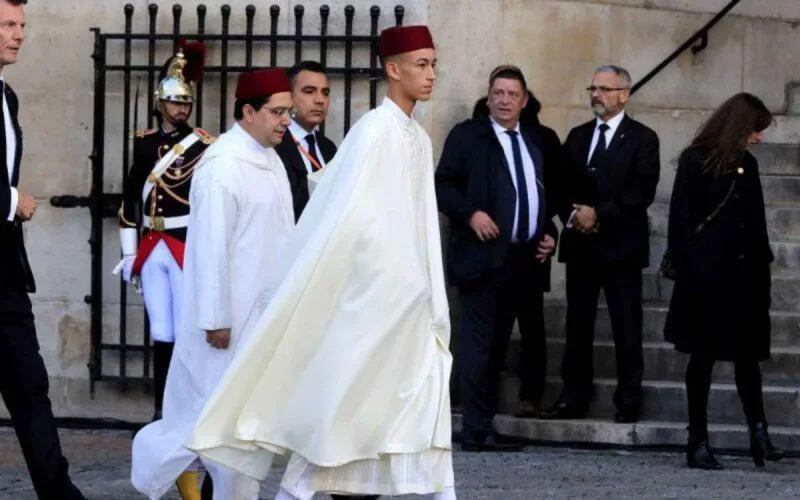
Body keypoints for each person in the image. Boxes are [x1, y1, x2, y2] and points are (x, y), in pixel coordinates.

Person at [186, 25, 456, 500]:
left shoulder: (419, 138)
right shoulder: (372, 131)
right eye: (421, 64)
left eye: (434, 63)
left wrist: (428, 293)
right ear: (393, 70)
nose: (431, 74)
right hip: (369, 308)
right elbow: (341, 214)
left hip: (407, 308)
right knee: (340, 423)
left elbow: (419, 227)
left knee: (389, 422)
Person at [130, 68, 296, 500]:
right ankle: (151, 457)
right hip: (225, 325)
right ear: (248, 112)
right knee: (214, 427)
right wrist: (215, 318)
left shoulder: (272, 159)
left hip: (260, 316)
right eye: (277, 112)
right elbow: (208, 249)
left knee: (239, 428)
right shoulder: (222, 166)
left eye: (288, 112)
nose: (285, 121)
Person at [435, 65, 559, 451]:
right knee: (478, 346)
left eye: (511, 94)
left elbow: (541, 195)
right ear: (488, 97)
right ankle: (474, 429)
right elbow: (442, 184)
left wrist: (549, 232)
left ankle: (485, 424)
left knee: (499, 345)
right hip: (480, 260)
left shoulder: (533, 141)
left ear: (524, 100)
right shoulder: (468, 135)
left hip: (521, 262)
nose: (504, 100)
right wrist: (471, 214)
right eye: (497, 93)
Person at [664, 92, 785, 470]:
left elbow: (757, 225)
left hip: (744, 281)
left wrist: (762, 277)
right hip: (706, 281)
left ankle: (759, 435)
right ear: (739, 127)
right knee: (701, 360)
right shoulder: (694, 161)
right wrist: (695, 271)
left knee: (748, 360)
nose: (758, 138)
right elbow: (680, 224)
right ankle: (697, 440)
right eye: (754, 130)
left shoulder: (747, 164)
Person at [540, 65, 660, 424]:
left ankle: (629, 400)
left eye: (605, 89)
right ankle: (574, 396)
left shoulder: (643, 138)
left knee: (627, 326)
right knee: (577, 326)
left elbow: (642, 192)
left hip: (621, 248)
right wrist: (574, 217)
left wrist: (599, 215)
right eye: (593, 87)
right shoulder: (577, 136)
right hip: (581, 247)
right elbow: (557, 184)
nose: (597, 94)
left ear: (624, 93)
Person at [0, 1, 86, 498]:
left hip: (7, 272)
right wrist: (12, 199)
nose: (19, 35)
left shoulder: (8, 97)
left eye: (23, 25)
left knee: (31, 388)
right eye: (9, 25)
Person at [117, 41, 209, 423]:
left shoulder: (202, 146)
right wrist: (127, 252)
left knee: (188, 330)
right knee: (161, 329)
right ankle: (161, 408)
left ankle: (187, 404)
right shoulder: (144, 144)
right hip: (151, 246)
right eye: (175, 102)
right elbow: (129, 201)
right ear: (161, 103)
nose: (181, 109)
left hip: (184, 243)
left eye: (186, 102)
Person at [276, 60, 337, 220]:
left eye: (325, 92)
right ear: (289, 98)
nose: (319, 100)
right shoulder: (274, 144)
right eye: (309, 91)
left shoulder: (328, 148)